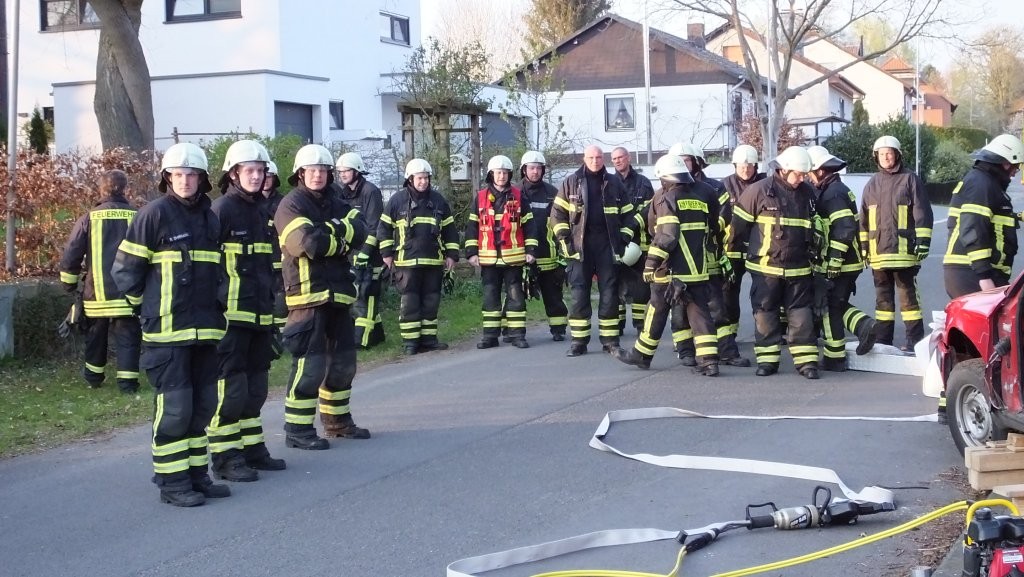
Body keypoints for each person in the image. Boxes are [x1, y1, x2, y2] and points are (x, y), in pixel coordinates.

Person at [112, 143, 229, 507]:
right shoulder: (153, 215)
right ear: (167, 178)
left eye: (192, 175)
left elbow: (219, 273)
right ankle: (172, 482)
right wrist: (145, 311)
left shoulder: (210, 218)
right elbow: (125, 273)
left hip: (206, 331)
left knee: (203, 406)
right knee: (176, 410)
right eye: (178, 175)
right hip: (167, 334)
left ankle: (197, 476)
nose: (185, 181)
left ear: (202, 179)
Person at [274, 144, 369, 450]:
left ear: (330, 173)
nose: (317, 175)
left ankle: (337, 422)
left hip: (339, 295)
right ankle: (298, 430)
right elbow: (306, 244)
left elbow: (361, 230)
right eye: (311, 170)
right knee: (309, 366)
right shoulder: (290, 204)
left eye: (322, 170)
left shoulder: (337, 201)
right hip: (306, 297)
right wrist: (339, 239)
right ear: (300, 173)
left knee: (343, 363)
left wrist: (328, 230)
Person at [206, 139, 286, 482]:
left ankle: (252, 449)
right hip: (230, 318)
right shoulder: (221, 211)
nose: (256, 177)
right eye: (248, 171)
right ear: (233, 174)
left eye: (260, 170)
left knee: (256, 388)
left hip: (259, 314)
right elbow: (206, 266)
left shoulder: (260, 211)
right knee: (231, 389)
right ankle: (225, 457)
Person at [615, 154, 721, 375]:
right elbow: (714, 226)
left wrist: (650, 265)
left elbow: (667, 236)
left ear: (664, 177)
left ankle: (641, 355)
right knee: (700, 313)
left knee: (656, 308)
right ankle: (709, 361)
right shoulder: (703, 194)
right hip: (697, 268)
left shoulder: (667, 199)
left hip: (670, 270)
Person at [729, 146, 821, 379]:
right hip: (765, 268)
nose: (801, 179)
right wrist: (734, 257)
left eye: (804, 175)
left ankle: (807, 363)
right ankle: (768, 362)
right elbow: (737, 230)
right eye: (798, 174)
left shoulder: (808, 193)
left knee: (801, 315)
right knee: (765, 314)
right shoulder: (758, 191)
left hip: (799, 267)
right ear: (784, 169)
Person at [59, 169, 141, 394]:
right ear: (125, 189)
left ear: (101, 189)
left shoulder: (90, 217)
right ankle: (127, 383)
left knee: (95, 337)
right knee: (128, 338)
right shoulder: (137, 216)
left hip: (96, 295)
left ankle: (94, 378)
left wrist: (69, 284)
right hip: (128, 295)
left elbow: (72, 254)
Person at [550, 145, 637, 357]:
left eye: (599, 157)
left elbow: (629, 215)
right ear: (584, 158)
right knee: (579, 294)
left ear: (603, 159)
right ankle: (579, 342)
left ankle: (610, 341)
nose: (595, 161)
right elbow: (557, 214)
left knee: (609, 294)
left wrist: (624, 237)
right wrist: (565, 238)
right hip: (580, 247)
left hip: (607, 245)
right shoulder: (571, 182)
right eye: (591, 157)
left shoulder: (614, 182)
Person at [806, 145, 877, 371]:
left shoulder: (833, 193)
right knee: (836, 304)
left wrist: (834, 261)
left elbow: (844, 228)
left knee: (829, 307)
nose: (808, 177)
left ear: (819, 171)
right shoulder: (835, 189)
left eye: (809, 172)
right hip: (847, 261)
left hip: (841, 263)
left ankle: (835, 358)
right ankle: (863, 326)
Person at [378, 158, 460, 355]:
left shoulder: (439, 200)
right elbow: (383, 229)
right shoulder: (397, 201)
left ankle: (429, 340)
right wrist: (387, 254)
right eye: (419, 178)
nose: (423, 181)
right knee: (410, 302)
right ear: (410, 179)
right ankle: (410, 343)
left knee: (431, 301)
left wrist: (452, 255)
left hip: (433, 261)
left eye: (426, 178)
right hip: (406, 263)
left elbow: (450, 230)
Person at [859, 135, 933, 351]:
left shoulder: (910, 180)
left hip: (904, 252)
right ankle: (883, 341)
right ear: (876, 157)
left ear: (897, 154)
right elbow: (863, 220)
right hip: (878, 254)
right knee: (883, 303)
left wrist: (924, 241)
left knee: (908, 300)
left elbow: (922, 212)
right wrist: (864, 248)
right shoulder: (871, 184)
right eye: (881, 154)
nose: (885, 157)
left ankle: (914, 342)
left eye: (889, 153)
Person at [668, 142, 731, 367]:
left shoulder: (714, 188)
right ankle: (685, 350)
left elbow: (724, 218)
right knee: (679, 308)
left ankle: (726, 351)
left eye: (686, 159)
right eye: (678, 160)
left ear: (696, 161)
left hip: (709, 255)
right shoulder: (669, 189)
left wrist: (711, 231)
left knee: (716, 305)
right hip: (680, 259)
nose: (681, 164)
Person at [465, 155, 537, 349]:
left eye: (505, 173)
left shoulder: (519, 196)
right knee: (490, 297)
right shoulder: (480, 198)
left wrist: (531, 250)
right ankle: (490, 336)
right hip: (488, 259)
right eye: (498, 173)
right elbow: (472, 226)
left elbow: (530, 225)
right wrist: (471, 252)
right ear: (491, 174)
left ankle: (517, 335)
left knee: (515, 296)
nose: (502, 176)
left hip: (514, 257)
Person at [943, 133, 1024, 298]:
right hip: (974, 274)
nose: (1016, 172)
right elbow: (973, 227)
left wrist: (1015, 217)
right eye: (1016, 166)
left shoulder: (983, 182)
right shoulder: (982, 184)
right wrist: (984, 276)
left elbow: (990, 221)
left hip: (971, 272)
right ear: (1006, 162)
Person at [718, 144, 766, 367]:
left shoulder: (764, 184)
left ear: (755, 165)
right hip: (732, 249)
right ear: (735, 165)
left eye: (749, 165)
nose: (745, 169)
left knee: (764, 293)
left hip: (759, 248)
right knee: (728, 294)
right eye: (741, 166)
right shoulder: (724, 186)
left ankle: (767, 334)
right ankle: (730, 336)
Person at [335, 152, 386, 348]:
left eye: (346, 171)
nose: (343, 175)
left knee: (367, 294)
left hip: (370, 255)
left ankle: (361, 340)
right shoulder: (343, 193)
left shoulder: (370, 191)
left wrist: (365, 251)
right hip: (350, 253)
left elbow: (375, 226)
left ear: (357, 171)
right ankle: (378, 335)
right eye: (340, 172)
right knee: (355, 294)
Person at [519, 150, 569, 341]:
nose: (535, 172)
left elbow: (563, 223)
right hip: (520, 255)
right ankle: (512, 331)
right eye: (531, 168)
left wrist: (563, 258)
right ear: (524, 170)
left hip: (548, 255)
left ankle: (558, 329)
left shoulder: (552, 194)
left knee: (553, 295)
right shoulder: (515, 193)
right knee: (516, 295)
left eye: (539, 168)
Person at [610, 146, 654, 334]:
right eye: (614, 159)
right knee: (615, 284)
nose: (618, 161)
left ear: (628, 158)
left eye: (621, 157)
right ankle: (617, 325)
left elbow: (650, 212)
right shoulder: (608, 183)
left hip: (641, 242)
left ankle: (640, 325)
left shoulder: (643, 183)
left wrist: (633, 226)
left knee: (641, 287)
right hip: (616, 243)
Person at [262, 161, 287, 331]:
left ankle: (282, 336)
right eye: (265, 176)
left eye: (269, 177)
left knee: (280, 300)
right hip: (259, 262)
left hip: (279, 260)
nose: (266, 180)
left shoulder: (283, 202)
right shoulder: (250, 202)